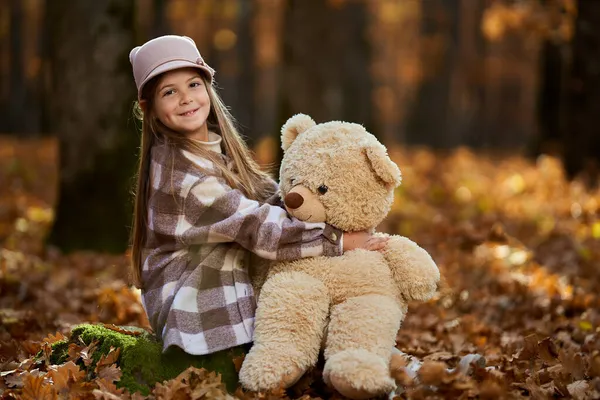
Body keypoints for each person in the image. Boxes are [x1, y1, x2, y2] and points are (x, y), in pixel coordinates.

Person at [127, 35, 388, 390]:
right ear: (150, 107)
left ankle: (353, 353)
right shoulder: (180, 177)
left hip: (209, 291)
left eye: (193, 84)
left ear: (207, 87)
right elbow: (257, 226)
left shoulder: (210, 152)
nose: (186, 97)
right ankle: (291, 361)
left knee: (308, 270)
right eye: (169, 92)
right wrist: (339, 240)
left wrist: (323, 199)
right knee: (289, 259)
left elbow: (267, 199)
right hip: (196, 312)